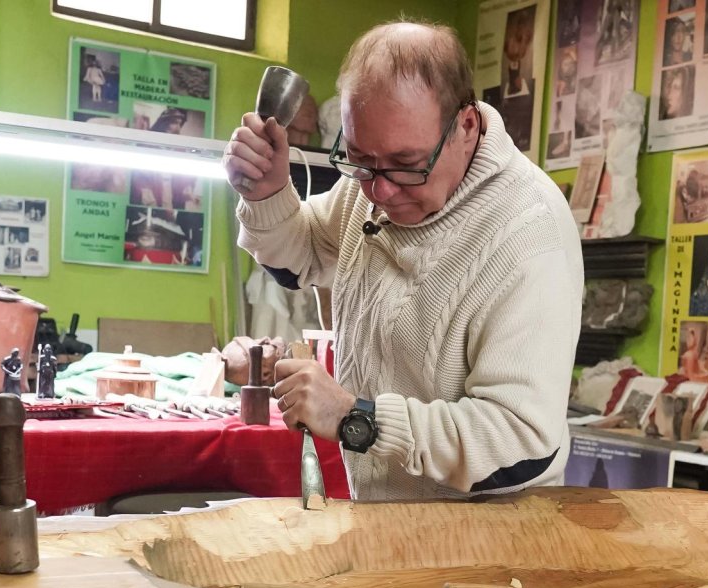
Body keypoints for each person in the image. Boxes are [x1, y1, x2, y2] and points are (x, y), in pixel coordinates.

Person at [222, 21, 583, 501]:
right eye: (360, 159)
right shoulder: (370, 183)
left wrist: (357, 418)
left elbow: (520, 445)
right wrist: (268, 193)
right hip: (387, 523)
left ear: (466, 125)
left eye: (407, 164)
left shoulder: (528, 231)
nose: (381, 190)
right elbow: (298, 260)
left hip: (491, 548)